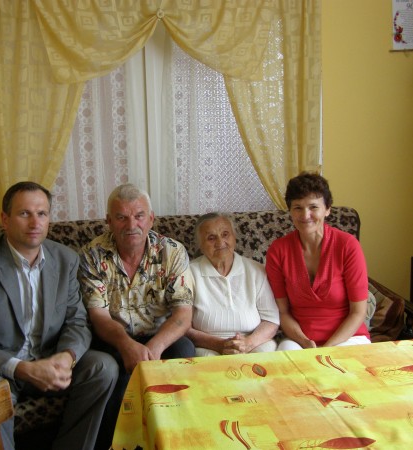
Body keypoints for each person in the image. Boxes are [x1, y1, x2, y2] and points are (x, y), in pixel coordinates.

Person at [0, 181, 118, 450]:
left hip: (49, 357)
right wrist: (23, 368)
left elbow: (77, 321)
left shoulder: (65, 259)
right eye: (24, 213)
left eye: (42, 214)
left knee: (103, 368)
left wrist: (67, 357)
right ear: (5, 219)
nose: (35, 223)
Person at [79, 183, 195, 450]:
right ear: (109, 221)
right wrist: (126, 345)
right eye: (121, 217)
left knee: (185, 351)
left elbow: (183, 313)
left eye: (139, 216)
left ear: (151, 218)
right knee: (118, 379)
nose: (131, 225)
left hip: (158, 336)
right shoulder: (92, 255)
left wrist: (154, 347)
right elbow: (99, 316)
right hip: (112, 338)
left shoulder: (172, 251)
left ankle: (177, 440)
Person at [265, 172, 371, 351]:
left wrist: (327, 348)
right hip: (301, 340)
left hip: (348, 337)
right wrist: (305, 342)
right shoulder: (278, 250)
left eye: (313, 207)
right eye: (297, 208)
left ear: (327, 209)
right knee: (287, 359)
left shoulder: (347, 246)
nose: (305, 215)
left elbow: (358, 312)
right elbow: (283, 312)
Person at [186, 212, 280, 356]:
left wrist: (248, 343)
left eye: (225, 234)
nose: (220, 242)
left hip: (254, 342)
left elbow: (271, 320)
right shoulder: (188, 274)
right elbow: (184, 326)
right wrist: (219, 345)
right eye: (211, 238)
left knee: (263, 356)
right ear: (200, 245)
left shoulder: (256, 270)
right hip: (207, 346)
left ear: (234, 237)